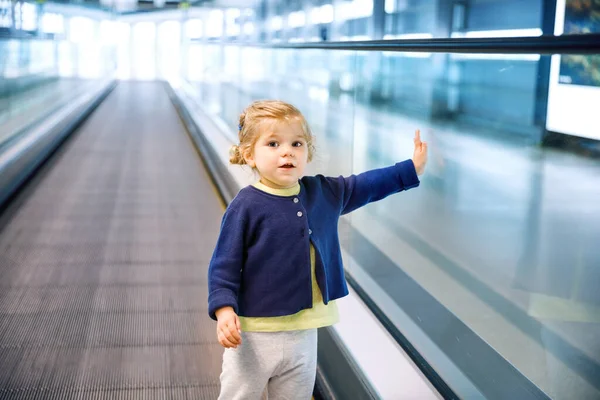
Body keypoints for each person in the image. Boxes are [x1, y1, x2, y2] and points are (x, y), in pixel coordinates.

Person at [208, 100, 427, 400]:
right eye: (273, 143)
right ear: (250, 155)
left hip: (304, 332)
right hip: (254, 334)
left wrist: (410, 168)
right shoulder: (245, 206)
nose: (287, 151)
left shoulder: (323, 193)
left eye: (296, 143)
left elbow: (365, 185)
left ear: (307, 152)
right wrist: (224, 310)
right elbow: (224, 264)